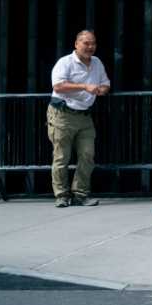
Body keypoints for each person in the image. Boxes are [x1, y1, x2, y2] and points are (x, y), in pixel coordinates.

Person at [48, 30, 111, 207]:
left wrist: (102, 89)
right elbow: (58, 86)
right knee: (61, 156)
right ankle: (61, 195)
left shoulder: (97, 63)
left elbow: (106, 83)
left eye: (93, 43)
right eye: (86, 43)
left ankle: (80, 194)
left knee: (87, 155)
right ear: (76, 44)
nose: (90, 47)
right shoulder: (65, 62)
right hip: (62, 115)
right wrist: (84, 86)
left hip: (84, 115)